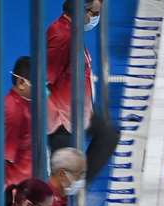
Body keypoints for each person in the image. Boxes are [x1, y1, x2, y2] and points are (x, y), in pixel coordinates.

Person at [46, 0, 120, 182]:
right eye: (94, 14)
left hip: (78, 111)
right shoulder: (63, 37)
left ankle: (80, 184)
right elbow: (45, 80)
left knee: (107, 136)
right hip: (63, 120)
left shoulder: (71, 31)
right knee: (61, 182)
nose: (96, 18)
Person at [5, 56, 35, 187]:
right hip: (22, 186)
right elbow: (6, 158)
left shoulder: (25, 102)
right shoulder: (14, 113)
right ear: (21, 83)